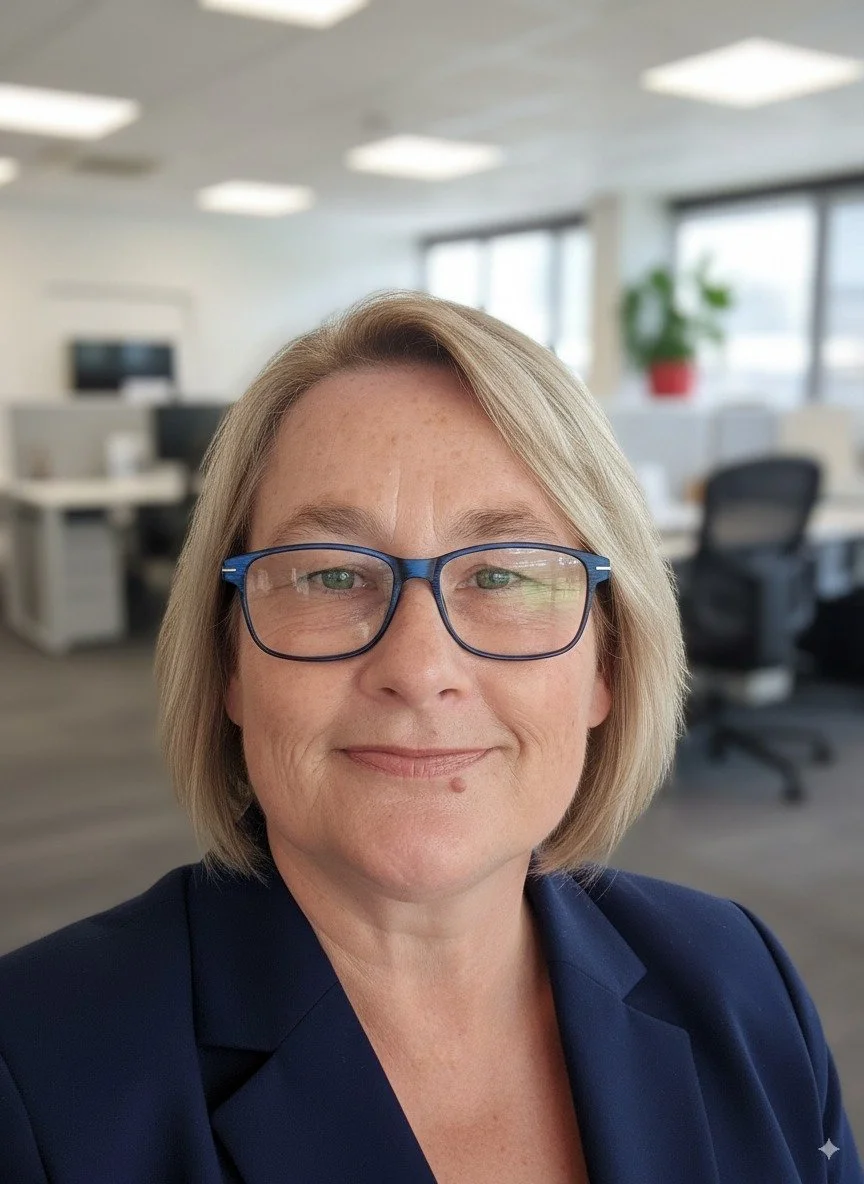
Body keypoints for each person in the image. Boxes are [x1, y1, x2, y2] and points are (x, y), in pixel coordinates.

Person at [0, 292, 860, 1184]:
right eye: (331, 573)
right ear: (229, 665)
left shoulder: (744, 978)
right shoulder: (31, 1083)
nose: (419, 667)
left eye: (504, 573)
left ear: (606, 663)